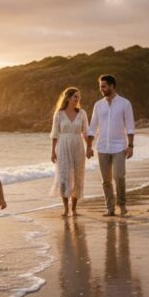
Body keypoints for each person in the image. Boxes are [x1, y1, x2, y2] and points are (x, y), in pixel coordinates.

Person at [86, 74, 135, 216]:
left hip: (119, 146)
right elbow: (92, 127)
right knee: (106, 181)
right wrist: (89, 146)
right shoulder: (98, 105)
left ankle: (122, 204)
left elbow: (130, 126)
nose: (101, 89)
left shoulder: (125, 103)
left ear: (112, 86)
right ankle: (110, 208)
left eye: (104, 86)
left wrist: (130, 146)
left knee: (119, 176)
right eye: (100, 86)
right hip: (102, 147)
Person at [50, 87, 90, 217]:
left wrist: (89, 147)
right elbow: (55, 133)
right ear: (68, 98)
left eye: (79, 97)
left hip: (78, 145)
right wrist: (52, 151)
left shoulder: (82, 113)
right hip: (62, 146)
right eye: (75, 97)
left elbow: (86, 132)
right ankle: (66, 208)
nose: (77, 99)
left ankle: (74, 209)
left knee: (78, 176)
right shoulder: (59, 113)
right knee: (64, 177)